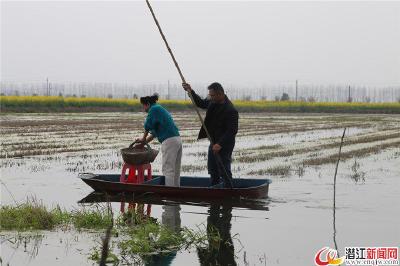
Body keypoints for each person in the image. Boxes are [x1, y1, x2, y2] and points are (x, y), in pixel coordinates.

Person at [182, 82, 238, 186]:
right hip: (213, 142)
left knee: (224, 169)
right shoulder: (213, 102)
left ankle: (229, 191)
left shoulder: (230, 110)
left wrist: (220, 144)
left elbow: (232, 131)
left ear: (220, 94)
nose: (210, 97)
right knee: (213, 169)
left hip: (224, 144)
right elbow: (201, 103)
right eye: (210, 95)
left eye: (212, 95)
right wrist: (190, 91)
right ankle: (214, 189)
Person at [137, 94, 182, 187]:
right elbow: (154, 134)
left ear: (148, 104)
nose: (143, 108)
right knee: (175, 169)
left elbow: (147, 125)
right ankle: (177, 191)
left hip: (169, 141)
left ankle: (169, 194)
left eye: (143, 106)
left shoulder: (153, 109)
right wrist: (144, 143)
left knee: (168, 169)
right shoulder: (159, 109)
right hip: (176, 139)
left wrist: (142, 139)